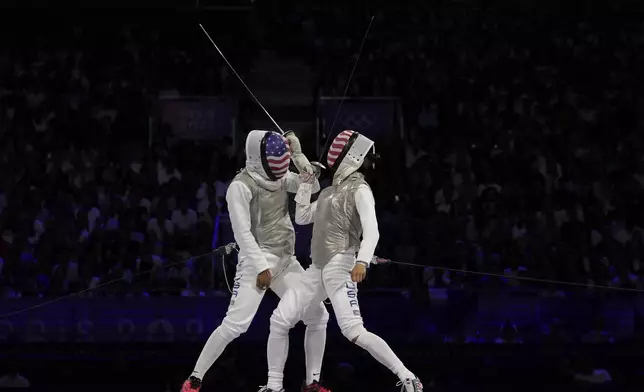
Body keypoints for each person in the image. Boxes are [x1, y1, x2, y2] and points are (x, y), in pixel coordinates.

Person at [264, 130, 423, 392]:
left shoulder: (360, 189)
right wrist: (306, 181)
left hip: (341, 266)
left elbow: (372, 230)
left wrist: (362, 261)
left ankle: (407, 377)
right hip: (316, 269)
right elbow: (302, 216)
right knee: (280, 319)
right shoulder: (327, 193)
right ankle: (276, 386)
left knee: (353, 331)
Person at [181, 130, 330, 392]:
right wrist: (261, 267)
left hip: (286, 260)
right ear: (258, 160)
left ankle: (313, 383)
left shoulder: (281, 177)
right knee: (236, 325)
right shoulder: (240, 186)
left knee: (318, 315)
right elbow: (242, 232)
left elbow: (313, 186)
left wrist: (298, 154)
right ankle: (194, 379)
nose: (280, 171)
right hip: (256, 260)